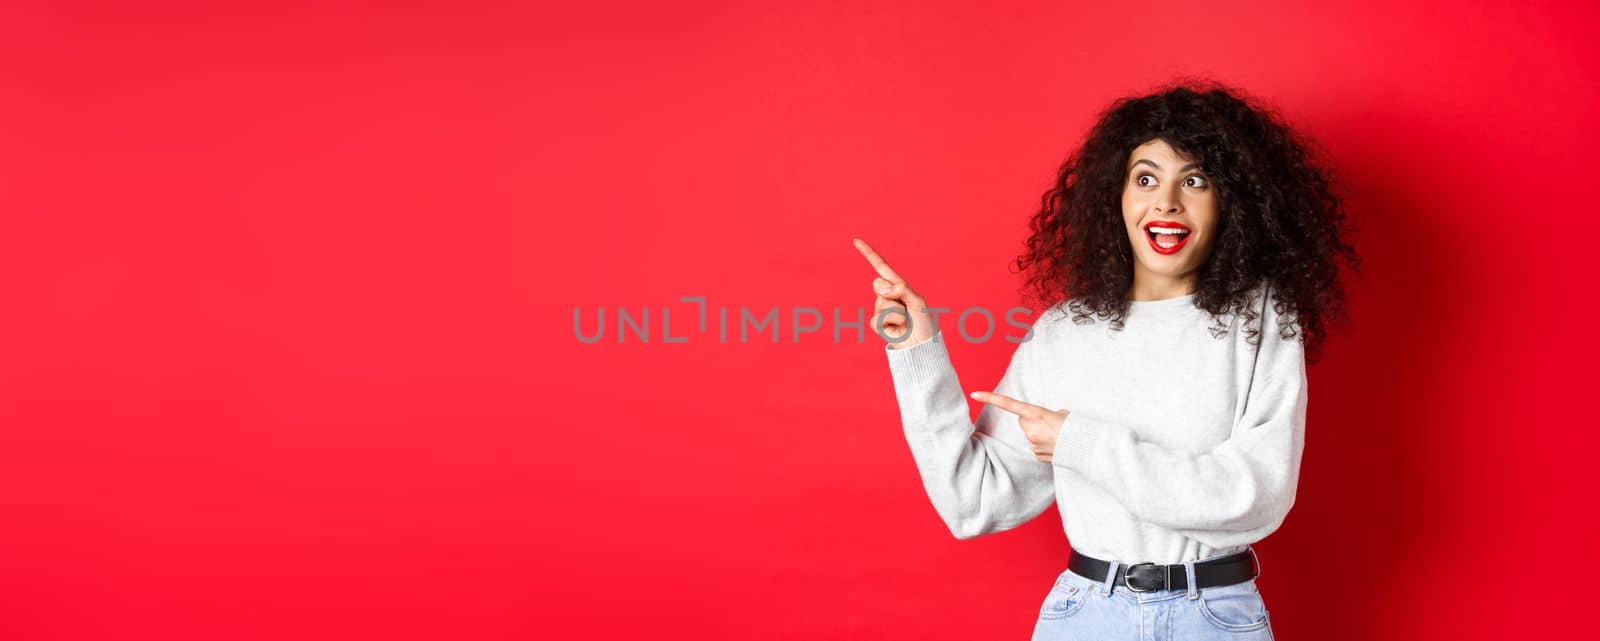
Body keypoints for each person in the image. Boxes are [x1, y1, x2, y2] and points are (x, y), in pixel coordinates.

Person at [852, 80, 1359, 640]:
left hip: (1214, 618)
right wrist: (916, 351)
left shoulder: (1259, 319)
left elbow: (1253, 497)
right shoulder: (1063, 335)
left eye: (1194, 180)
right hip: (1088, 616)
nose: (1166, 201)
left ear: (1230, 202)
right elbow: (973, 502)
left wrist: (1078, 443)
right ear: (1115, 197)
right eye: (1146, 178)